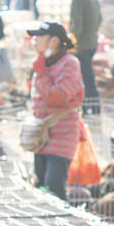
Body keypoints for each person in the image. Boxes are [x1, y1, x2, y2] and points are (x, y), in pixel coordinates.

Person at [27, 21, 83, 201]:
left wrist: (41, 73)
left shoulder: (70, 63)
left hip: (62, 134)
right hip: (41, 135)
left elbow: (58, 96)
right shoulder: (42, 62)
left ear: (54, 41)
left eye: (39, 37)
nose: (34, 40)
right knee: (41, 183)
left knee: (54, 187)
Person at [65, 0, 102, 115]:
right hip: (92, 42)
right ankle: (94, 108)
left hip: (82, 45)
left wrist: (70, 43)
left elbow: (76, 25)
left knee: (85, 80)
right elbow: (99, 19)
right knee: (88, 77)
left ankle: (89, 109)